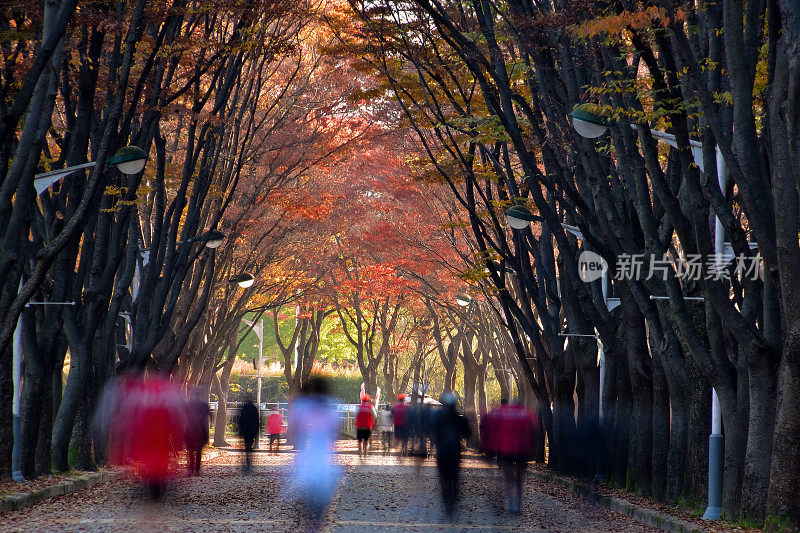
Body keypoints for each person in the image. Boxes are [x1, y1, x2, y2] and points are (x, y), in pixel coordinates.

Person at [288, 376, 341, 532]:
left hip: (307, 458)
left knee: (308, 496)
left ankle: (310, 524)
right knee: (322, 499)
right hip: (324, 459)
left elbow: (294, 429)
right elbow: (334, 433)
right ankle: (317, 524)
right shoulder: (330, 406)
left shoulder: (302, 407)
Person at [481, 397, 540, 514]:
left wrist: (488, 448)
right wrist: (533, 448)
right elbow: (535, 430)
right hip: (523, 451)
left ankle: (510, 502)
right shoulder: (528, 413)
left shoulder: (502, 413)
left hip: (505, 450)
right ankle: (518, 504)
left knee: (508, 477)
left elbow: (488, 423)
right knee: (519, 478)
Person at [432, 392, 472, 519]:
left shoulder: (438, 419)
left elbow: (432, 433)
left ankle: (447, 503)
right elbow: (468, 435)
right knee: (454, 478)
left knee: (444, 479)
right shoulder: (460, 419)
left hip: (442, 453)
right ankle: (453, 500)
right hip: (454, 453)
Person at [184, 387, 211, 476]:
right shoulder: (204, 405)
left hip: (190, 429)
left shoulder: (188, 405)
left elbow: (184, 417)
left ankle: (192, 467)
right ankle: (197, 470)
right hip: (200, 430)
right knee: (199, 450)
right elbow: (210, 416)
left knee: (190, 450)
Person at [238, 399, 259, 473]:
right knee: (250, 445)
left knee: (246, 445)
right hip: (251, 431)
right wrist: (256, 432)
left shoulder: (244, 408)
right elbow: (256, 421)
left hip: (245, 430)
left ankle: (247, 460)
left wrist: (240, 431)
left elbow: (240, 420)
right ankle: (249, 462)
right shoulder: (254, 408)